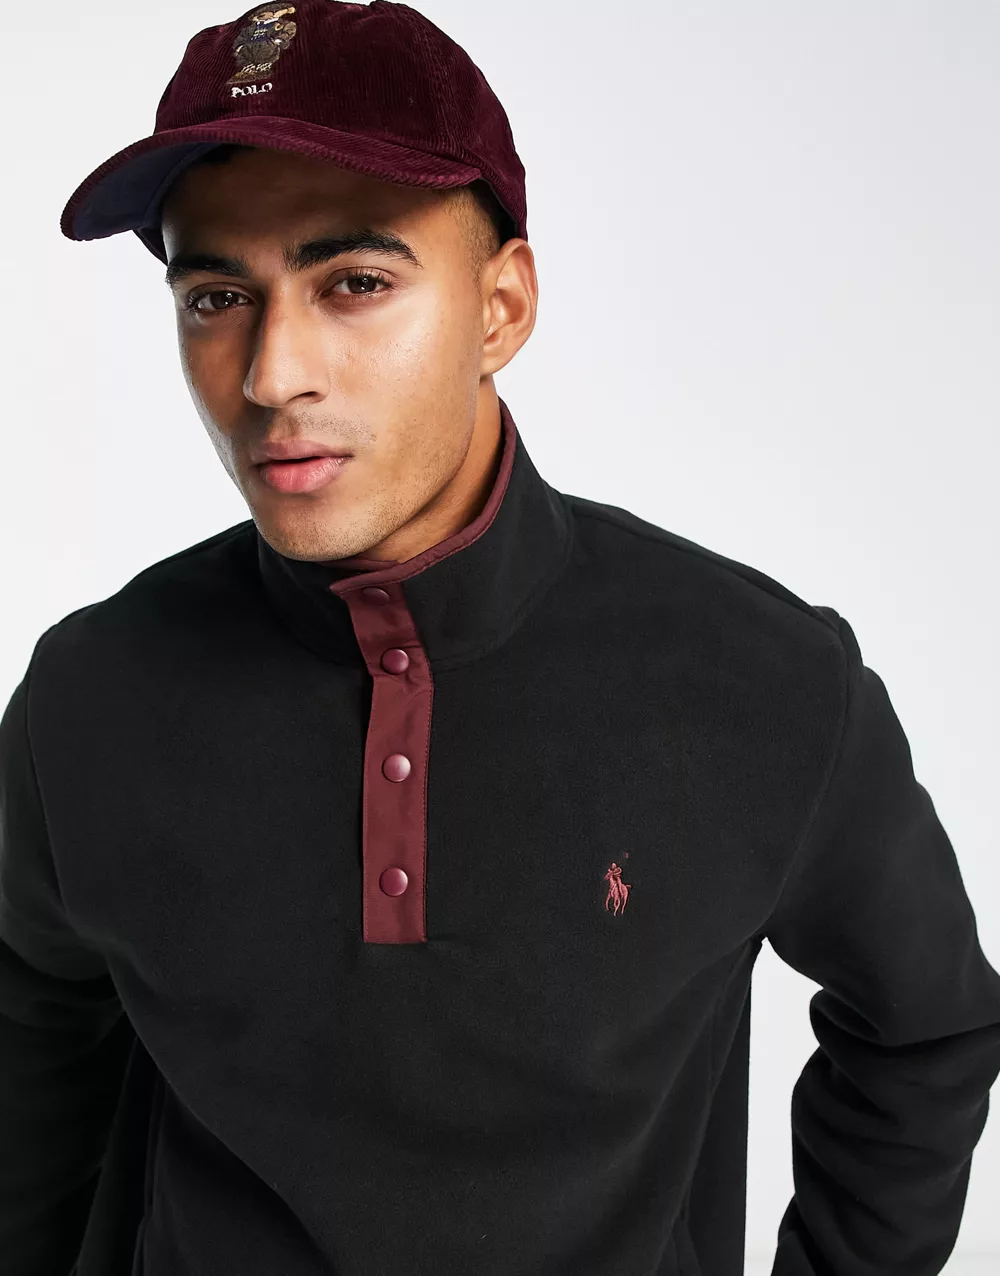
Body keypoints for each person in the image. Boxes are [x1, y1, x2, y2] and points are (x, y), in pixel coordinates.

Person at [2, 3, 999, 1274]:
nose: (269, 373)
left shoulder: (763, 678)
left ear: (502, 306)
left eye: (354, 282)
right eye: (216, 296)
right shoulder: (90, 694)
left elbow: (926, 1030)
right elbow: (31, 1041)